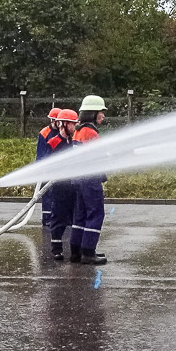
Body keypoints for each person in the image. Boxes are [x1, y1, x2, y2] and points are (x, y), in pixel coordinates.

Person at [69, 94, 109, 265]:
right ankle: (88, 252)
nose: (103, 115)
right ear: (93, 113)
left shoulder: (78, 130)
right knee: (96, 213)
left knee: (80, 215)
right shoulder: (91, 133)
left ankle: (76, 252)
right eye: (101, 112)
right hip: (90, 179)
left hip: (79, 178)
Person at [42, 108, 78, 258]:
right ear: (63, 124)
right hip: (60, 187)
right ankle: (56, 249)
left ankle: (76, 248)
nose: (74, 127)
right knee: (58, 217)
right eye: (72, 124)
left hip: (73, 185)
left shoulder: (75, 141)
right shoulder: (54, 142)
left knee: (75, 217)